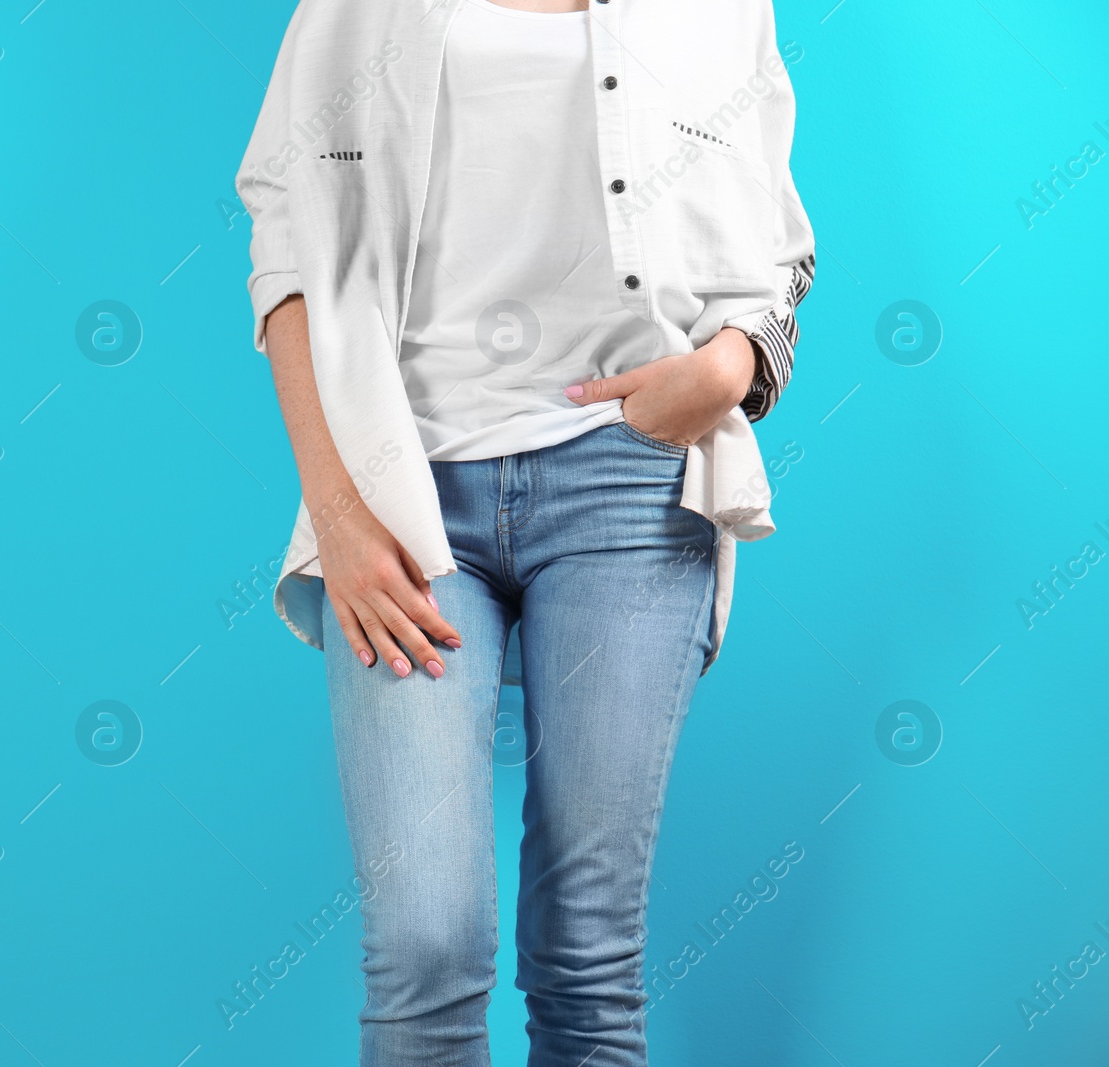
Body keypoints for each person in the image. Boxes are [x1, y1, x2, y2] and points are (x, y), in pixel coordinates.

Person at [235, 0, 815, 1062]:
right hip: (401, 490)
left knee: (588, 954)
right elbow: (286, 246)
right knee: (423, 945)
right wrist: (337, 508)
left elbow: (779, 255)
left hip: (626, 490)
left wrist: (724, 371)